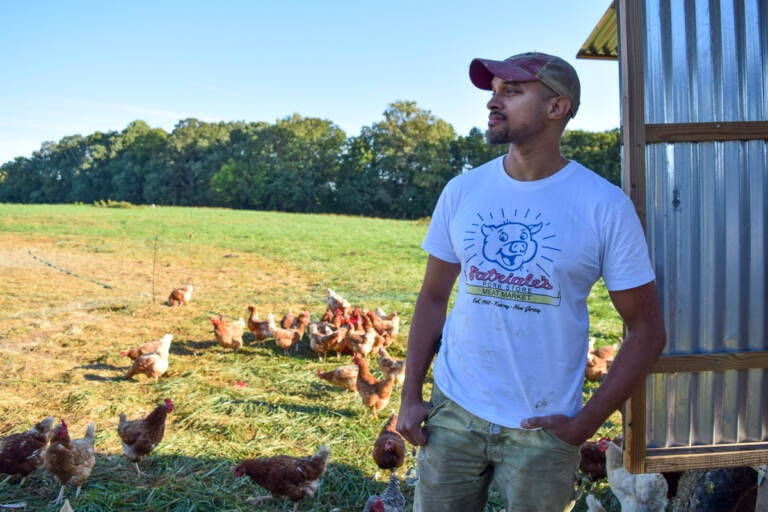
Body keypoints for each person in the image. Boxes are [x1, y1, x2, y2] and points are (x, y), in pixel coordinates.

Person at [396, 51, 667, 511]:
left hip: (543, 431)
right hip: (453, 412)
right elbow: (434, 295)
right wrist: (410, 396)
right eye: (494, 91)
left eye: (512, 91)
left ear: (556, 107)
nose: (492, 102)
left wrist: (584, 424)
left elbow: (647, 330)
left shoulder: (604, 205)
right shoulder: (463, 190)